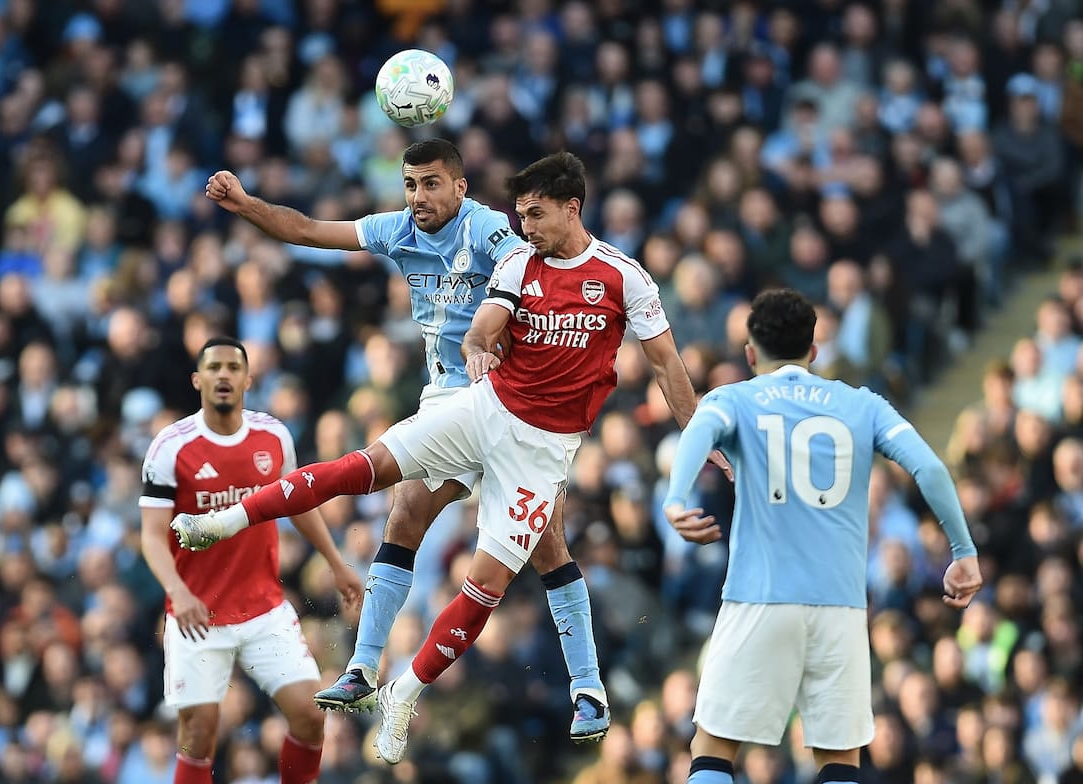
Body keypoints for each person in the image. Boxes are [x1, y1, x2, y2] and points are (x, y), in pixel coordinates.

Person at [176, 151, 704, 764]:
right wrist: (247, 207)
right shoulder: (416, 232)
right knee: (392, 499)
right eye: (409, 184)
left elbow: (649, 353)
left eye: (430, 184)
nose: (417, 195)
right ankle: (358, 660)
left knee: (539, 548)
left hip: (525, 421)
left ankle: (575, 685)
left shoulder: (498, 236)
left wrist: (698, 444)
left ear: (460, 185)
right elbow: (309, 231)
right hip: (465, 396)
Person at [661, 289, 984, 784]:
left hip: (759, 598)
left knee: (713, 749)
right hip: (842, 607)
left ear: (750, 354)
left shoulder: (735, 398)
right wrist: (963, 551)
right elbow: (931, 468)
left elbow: (699, 430)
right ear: (813, 352)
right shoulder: (862, 405)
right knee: (838, 762)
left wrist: (677, 499)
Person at [139, 336, 364, 784]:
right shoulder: (171, 447)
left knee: (310, 715)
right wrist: (178, 593)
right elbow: (150, 536)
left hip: (264, 608)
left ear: (248, 378)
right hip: (197, 614)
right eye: (214, 367)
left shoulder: (274, 436)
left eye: (233, 367)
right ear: (197, 380)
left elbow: (296, 503)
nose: (224, 375)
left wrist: (336, 562)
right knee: (198, 735)